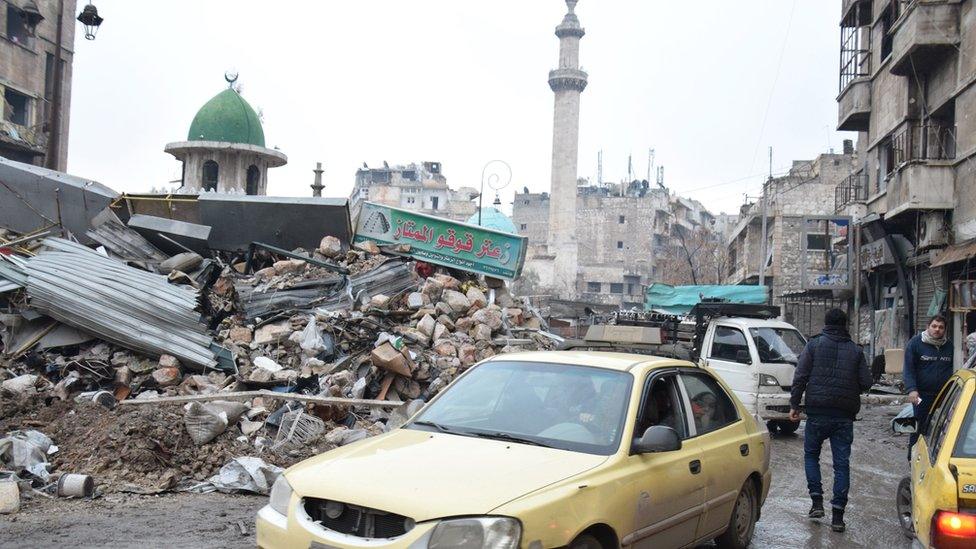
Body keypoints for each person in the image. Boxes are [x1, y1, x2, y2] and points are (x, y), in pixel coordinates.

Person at [789, 308, 872, 534]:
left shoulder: (813, 345)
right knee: (841, 464)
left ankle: (816, 502)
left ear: (825, 323)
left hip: (817, 412)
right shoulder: (856, 351)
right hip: (844, 415)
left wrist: (794, 405)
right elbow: (866, 382)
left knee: (811, 456)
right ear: (845, 325)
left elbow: (800, 377)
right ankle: (838, 517)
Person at [904, 314, 954, 454]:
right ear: (928, 327)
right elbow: (909, 369)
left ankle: (934, 456)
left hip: (944, 396)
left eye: (941, 327)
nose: (937, 329)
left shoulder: (949, 346)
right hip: (921, 395)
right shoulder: (915, 343)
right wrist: (912, 389)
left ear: (944, 330)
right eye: (934, 326)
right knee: (918, 425)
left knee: (940, 427)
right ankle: (913, 455)